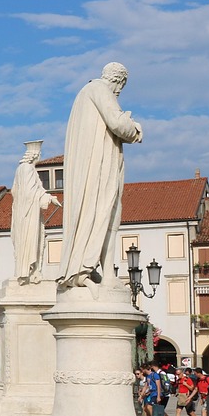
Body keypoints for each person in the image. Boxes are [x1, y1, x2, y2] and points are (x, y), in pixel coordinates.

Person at [56, 62, 143, 292]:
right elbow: (117, 124)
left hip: (96, 164)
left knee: (107, 215)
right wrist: (135, 128)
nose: (118, 93)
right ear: (119, 81)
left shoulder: (85, 93)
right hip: (99, 166)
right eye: (121, 88)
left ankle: (98, 271)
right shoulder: (100, 90)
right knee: (104, 213)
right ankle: (86, 269)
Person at [11, 140, 58, 285]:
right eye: (39, 154)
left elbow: (16, 191)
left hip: (24, 213)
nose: (40, 157)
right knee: (29, 243)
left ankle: (29, 271)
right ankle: (28, 272)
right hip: (28, 214)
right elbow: (29, 193)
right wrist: (48, 198)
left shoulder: (22, 169)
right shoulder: (27, 169)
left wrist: (48, 196)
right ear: (34, 155)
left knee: (29, 244)